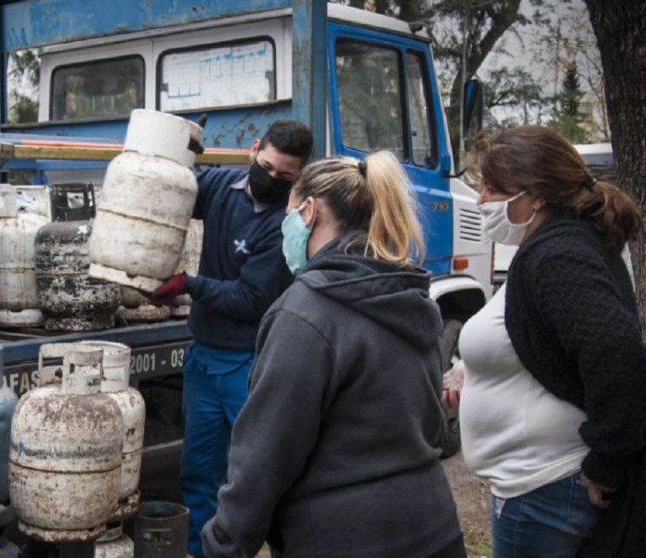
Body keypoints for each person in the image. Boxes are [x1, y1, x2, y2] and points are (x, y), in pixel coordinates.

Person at [200, 151, 467, 558]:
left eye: (287, 212)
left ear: (308, 212)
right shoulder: (410, 295)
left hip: (342, 537)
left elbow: (265, 455)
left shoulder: (306, 312)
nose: (282, 225)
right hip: (433, 528)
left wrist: (224, 545)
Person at [441, 125, 646, 558]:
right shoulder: (548, 245)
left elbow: (622, 357)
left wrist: (606, 460)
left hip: (546, 486)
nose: (479, 200)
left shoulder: (560, 255)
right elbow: (544, 339)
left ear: (535, 196)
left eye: (491, 189)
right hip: (539, 486)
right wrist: (475, 372)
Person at [148, 120, 314, 558]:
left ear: (300, 175)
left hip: (250, 365)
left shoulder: (286, 227)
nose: (272, 179)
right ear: (254, 149)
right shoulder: (222, 184)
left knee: (257, 479)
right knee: (198, 473)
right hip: (204, 359)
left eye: (285, 176)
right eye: (267, 166)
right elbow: (174, 192)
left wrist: (187, 283)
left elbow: (249, 297)